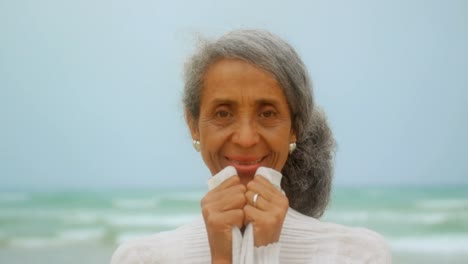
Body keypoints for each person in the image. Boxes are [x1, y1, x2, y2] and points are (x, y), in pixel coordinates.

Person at [111, 29, 391, 264]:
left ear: (294, 127)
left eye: (267, 113)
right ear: (193, 124)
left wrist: (264, 250)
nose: (246, 138)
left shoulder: (358, 254)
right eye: (223, 113)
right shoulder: (141, 258)